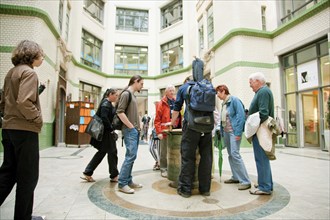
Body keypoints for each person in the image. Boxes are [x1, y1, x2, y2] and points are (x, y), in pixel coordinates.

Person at [0, 40, 45, 220]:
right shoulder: (29, 73)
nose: (42, 58)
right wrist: (38, 118)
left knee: (8, 172)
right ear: (33, 55)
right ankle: (24, 216)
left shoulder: (11, 72)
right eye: (41, 54)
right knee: (28, 177)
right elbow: (24, 102)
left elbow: (3, 101)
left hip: (8, 128)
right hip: (25, 130)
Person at [170, 75, 213, 198]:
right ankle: (205, 189)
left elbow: (177, 108)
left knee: (188, 158)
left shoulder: (184, 88)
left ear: (186, 81)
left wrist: (172, 123)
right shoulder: (208, 87)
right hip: (207, 127)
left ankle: (185, 190)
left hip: (191, 127)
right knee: (206, 158)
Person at [215, 85, 251, 190]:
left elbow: (241, 117)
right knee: (231, 155)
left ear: (223, 91)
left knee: (235, 154)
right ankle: (235, 177)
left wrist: (238, 133)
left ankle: (245, 181)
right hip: (226, 132)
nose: (217, 95)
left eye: (218, 92)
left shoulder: (234, 100)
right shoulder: (224, 103)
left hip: (233, 132)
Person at [81, 88, 119, 183]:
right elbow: (104, 118)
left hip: (105, 133)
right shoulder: (106, 104)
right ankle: (114, 175)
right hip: (106, 133)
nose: (116, 97)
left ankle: (88, 172)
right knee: (112, 152)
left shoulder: (107, 103)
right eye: (115, 95)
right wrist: (111, 130)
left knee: (102, 152)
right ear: (110, 94)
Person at [247, 72, 274, 195]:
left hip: (260, 130)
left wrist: (252, 126)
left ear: (258, 81)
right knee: (263, 158)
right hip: (260, 130)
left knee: (261, 159)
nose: (250, 85)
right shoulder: (263, 91)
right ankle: (266, 182)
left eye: (251, 82)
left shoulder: (263, 92)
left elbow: (263, 113)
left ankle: (264, 187)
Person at [117, 75, 144, 194]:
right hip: (130, 131)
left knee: (132, 156)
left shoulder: (132, 95)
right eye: (141, 84)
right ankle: (122, 183)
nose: (142, 86)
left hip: (134, 130)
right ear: (135, 82)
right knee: (130, 157)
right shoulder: (126, 94)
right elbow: (120, 112)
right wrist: (131, 127)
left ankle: (128, 180)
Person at [154, 84, 181, 178]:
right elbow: (157, 120)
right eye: (170, 91)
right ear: (166, 92)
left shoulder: (175, 101)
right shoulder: (161, 103)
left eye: (173, 91)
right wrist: (159, 132)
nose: (172, 92)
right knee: (164, 151)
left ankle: (172, 167)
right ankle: (163, 168)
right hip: (164, 131)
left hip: (175, 130)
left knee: (174, 149)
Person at [149, 101, 161, 171]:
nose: (156, 106)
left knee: (159, 150)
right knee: (150, 148)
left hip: (159, 132)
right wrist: (149, 133)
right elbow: (151, 124)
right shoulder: (153, 114)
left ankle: (159, 163)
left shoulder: (160, 113)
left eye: (157, 104)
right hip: (153, 133)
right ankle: (158, 161)